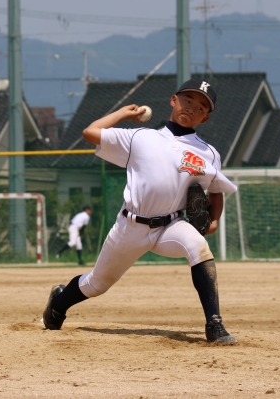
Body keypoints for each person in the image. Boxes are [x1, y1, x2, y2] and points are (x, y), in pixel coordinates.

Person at [42, 78, 238, 344]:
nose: (192, 108)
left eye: (201, 107)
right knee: (97, 284)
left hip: (171, 226)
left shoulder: (208, 153)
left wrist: (213, 221)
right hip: (131, 227)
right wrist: (123, 114)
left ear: (205, 118)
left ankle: (214, 324)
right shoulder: (141, 137)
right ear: (174, 100)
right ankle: (58, 303)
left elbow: (216, 189)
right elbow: (90, 132)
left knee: (198, 246)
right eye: (188, 100)